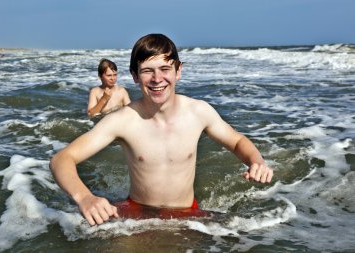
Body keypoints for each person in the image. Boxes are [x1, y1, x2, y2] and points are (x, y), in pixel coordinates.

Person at [50, 34, 273, 226]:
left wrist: (256, 161)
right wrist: (85, 198)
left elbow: (236, 141)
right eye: (147, 71)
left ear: (178, 71)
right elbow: (62, 159)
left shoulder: (198, 112)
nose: (157, 79)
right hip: (138, 214)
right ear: (135, 76)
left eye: (165, 69)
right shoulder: (123, 120)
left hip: (188, 215)